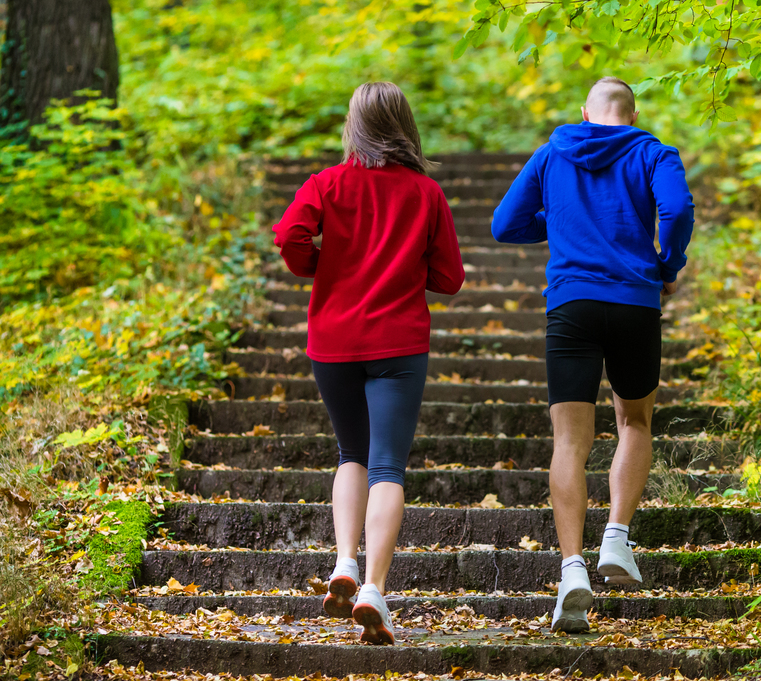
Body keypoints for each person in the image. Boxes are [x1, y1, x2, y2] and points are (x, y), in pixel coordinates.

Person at [491, 77, 695, 633]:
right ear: (632, 112)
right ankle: (617, 538)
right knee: (634, 421)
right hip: (634, 302)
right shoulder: (654, 152)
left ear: (585, 112)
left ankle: (572, 567)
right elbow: (676, 212)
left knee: (568, 440)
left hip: (572, 306)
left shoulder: (551, 153)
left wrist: (558, 221)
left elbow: (504, 224)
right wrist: (665, 266)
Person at [272, 82, 465, 645]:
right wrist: (406, 273)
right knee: (387, 466)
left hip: (333, 338)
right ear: (404, 124)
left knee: (350, 453)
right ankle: (374, 588)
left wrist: (319, 264)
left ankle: (343, 562)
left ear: (353, 125)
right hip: (398, 343)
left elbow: (289, 235)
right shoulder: (425, 193)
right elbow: (450, 279)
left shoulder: (326, 184)